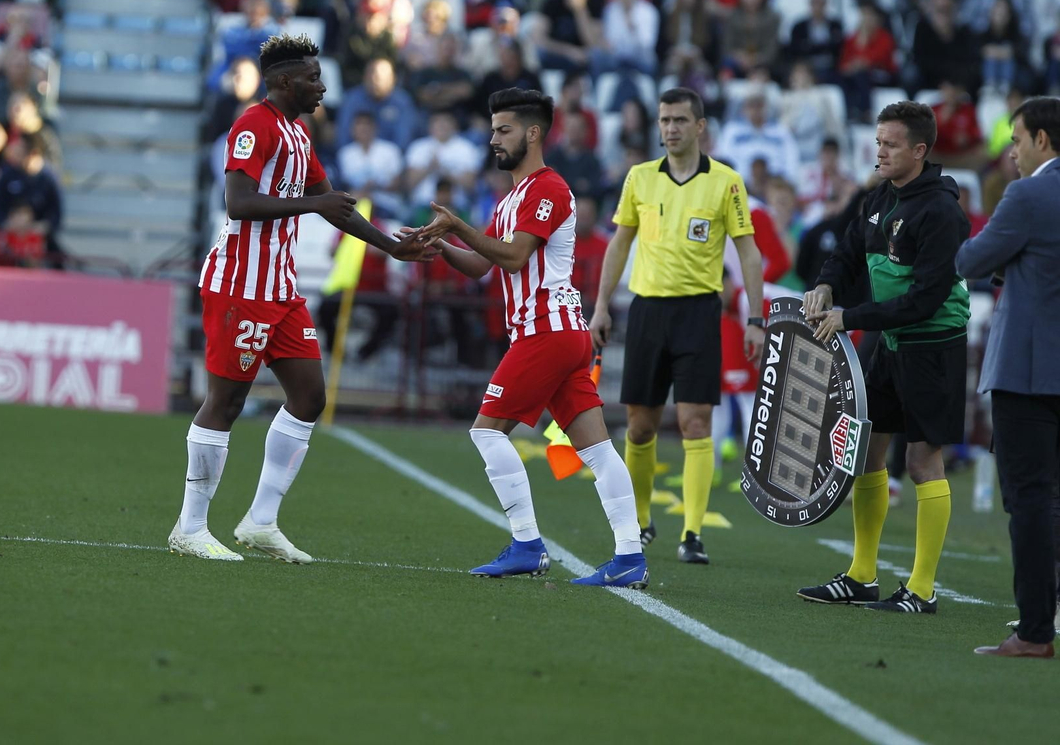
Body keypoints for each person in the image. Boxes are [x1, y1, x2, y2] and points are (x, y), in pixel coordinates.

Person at [172, 34, 427, 562]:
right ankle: (189, 528)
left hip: (281, 288)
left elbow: (333, 204)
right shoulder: (254, 125)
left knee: (309, 396)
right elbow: (239, 203)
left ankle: (261, 521)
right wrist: (313, 204)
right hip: (241, 284)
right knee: (226, 402)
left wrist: (391, 247)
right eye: (313, 78)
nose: (322, 87)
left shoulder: (298, 132)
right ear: (285, 82)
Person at [412, 89, 649, 587]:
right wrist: (441, 242)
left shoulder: (549, 189)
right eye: (493, 130)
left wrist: (457, 225)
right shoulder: (512, 198)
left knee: (485, 431)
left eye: (504, 130)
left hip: (546, 331)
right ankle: (630, 556)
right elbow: (482, 264)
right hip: (560, 332)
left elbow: (515, 257)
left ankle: (526, 544)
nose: (494, 140)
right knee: (597, 450)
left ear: (533, 133)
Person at [800, 101, 970, 614]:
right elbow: (848, 251)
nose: (879, 152)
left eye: (890, 144)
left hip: (932, 345)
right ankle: (862, 576)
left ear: (919, 150)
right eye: (877, 142)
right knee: (867, 453)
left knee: (921, 462)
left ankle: (922, 590)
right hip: (891, 342)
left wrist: (850, 317)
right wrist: (827, 284)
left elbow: (925, 301)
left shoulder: (942, 212)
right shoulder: (878, 197)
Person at [589, 88, 765, 565]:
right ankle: (641, 520)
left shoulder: (726, 182)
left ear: (700, 126)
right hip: (647, 310)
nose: (671, 128)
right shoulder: (640, 177)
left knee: (695, 422)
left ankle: (692, 533)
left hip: (699, 313)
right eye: (665, 120)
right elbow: (619, 243)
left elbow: (749, 252)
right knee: (640, 427)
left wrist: (754, 318)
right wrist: (601, 306)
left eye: (680, 120)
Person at [955, 97, 1060, 658]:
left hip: (1028, 372)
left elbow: (970, 260)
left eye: (1017, 140)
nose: (1011, 152)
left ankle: (1036, 631)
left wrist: (1008, 257)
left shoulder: (1027, 195)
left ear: (1042, 139)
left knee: (1030, 500)